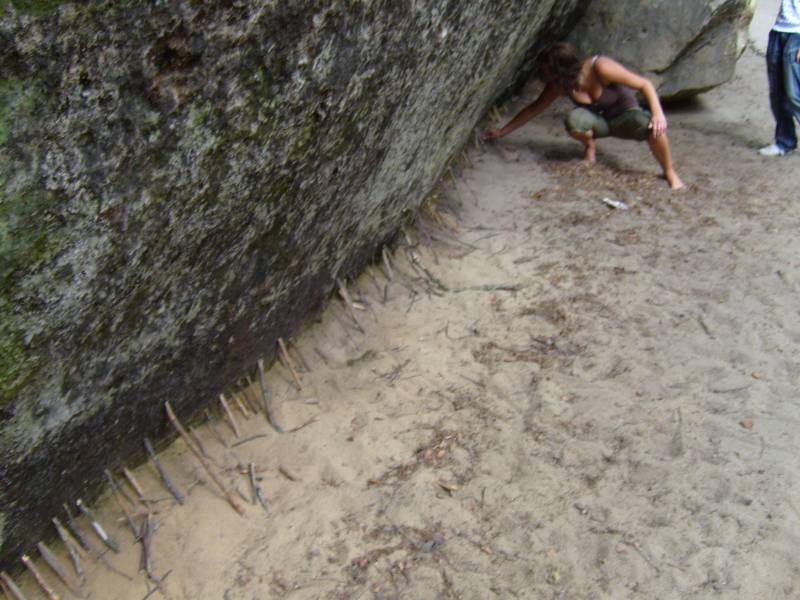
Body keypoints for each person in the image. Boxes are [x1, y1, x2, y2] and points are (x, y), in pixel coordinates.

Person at [483, 42, 684, 190]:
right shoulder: (560, 85)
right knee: (574, 121)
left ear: (560, 69)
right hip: (600, 123)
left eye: (547, 71)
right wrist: (502, 131)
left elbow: (644, 84)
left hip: (626, 116)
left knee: (654, 128)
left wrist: (658, 114)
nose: (544, 76)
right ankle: (590, 146)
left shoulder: (601, 67)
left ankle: (669, 172)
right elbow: (534, 108)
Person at [759, 0, 800, 157]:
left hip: (797, 34)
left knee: (794, 94)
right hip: (779, 30)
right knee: (777, 93)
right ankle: (784, 141)